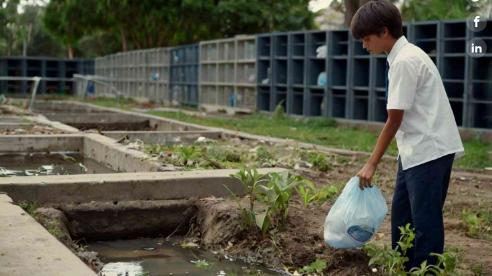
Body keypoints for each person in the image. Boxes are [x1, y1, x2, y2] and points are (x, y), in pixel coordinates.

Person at [350, 0, 465, 271]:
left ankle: (427, 271)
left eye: (367, 39)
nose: (365, 45)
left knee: (425, 225)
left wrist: (371, 163)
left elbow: (394, 119)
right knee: (403, 220)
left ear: (384, 32)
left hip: (429, 150)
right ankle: (402, 269)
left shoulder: (405, 60)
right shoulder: (402, 56)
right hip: (414, 151)